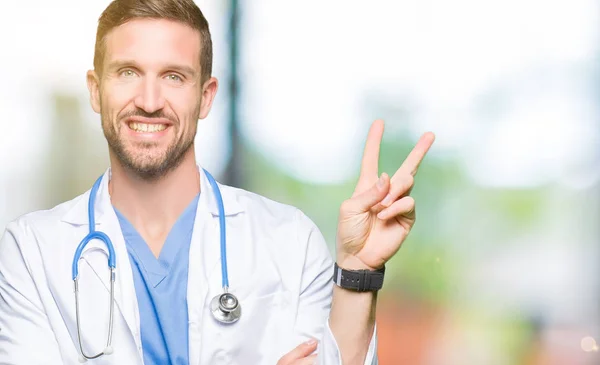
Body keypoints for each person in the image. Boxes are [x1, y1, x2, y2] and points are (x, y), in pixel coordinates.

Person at [0, 0, 435, 364]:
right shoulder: (30, 252)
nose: (149, 102)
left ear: (205, 96)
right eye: (128, 72)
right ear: (95, 90)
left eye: (174, 76)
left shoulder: (289, 241)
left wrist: (358, 271)